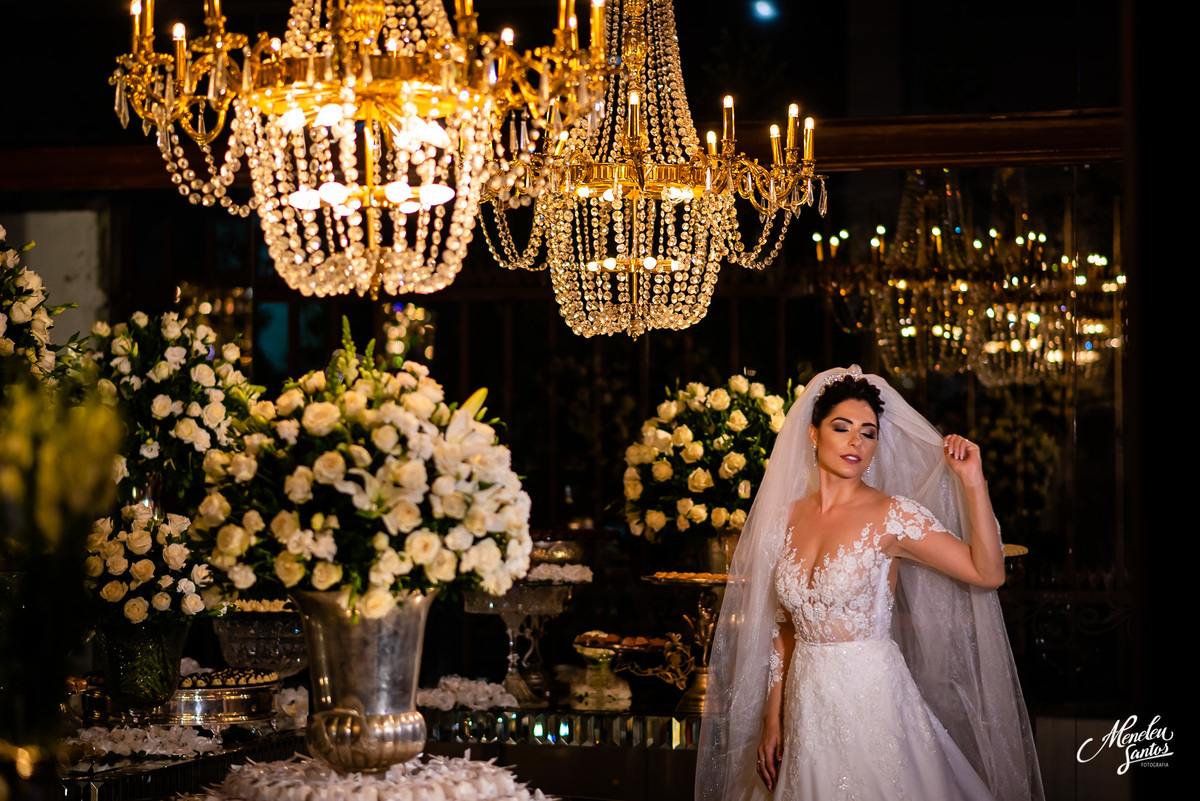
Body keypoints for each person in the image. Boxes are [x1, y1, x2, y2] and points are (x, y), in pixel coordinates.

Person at [696, 366, 1043, 801]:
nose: (856, 441)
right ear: (812, 434)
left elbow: (988, 573)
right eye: (842, 428)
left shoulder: (893, 515)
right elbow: (783, 628)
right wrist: (773, 718)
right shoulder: (785, 518)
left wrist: (973, 481)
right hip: (806, 703)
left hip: (873, 701)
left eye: (869, 432)